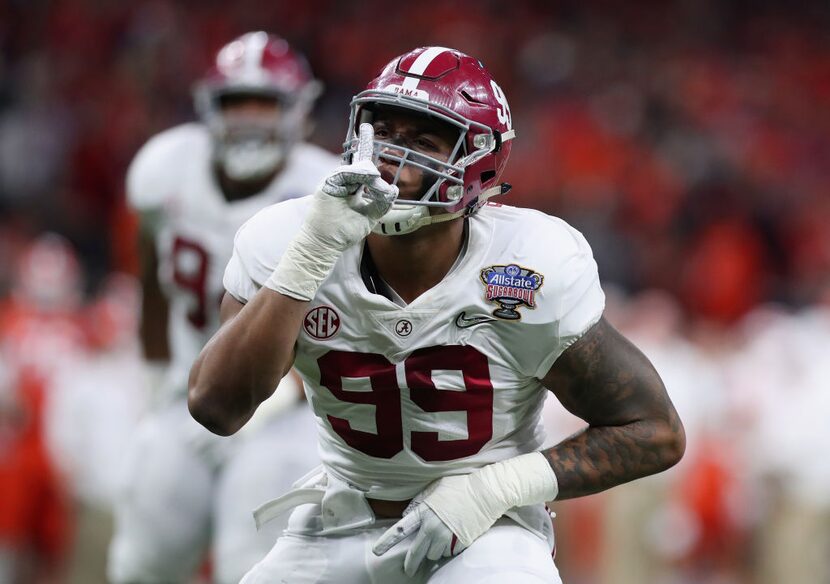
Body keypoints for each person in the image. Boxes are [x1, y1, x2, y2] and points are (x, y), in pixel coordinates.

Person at [188, 46, 686, 583]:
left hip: (484, 531)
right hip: (341, 519)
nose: (391, 161)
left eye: (423, 142)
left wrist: (493, 489)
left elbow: (653, 430)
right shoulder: (289, 237)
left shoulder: (528, 263)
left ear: (478, 163)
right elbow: (217, 407)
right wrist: (309, 256)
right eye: (384, 135)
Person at [107, 32, 338, 584]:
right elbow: (154, 280)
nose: (251, 119)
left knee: (254, 569)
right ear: (210, 107)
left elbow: (349, 321)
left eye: (267, 103)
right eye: (238, 103)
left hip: (291, 414)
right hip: (187, 398)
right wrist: (158, 376)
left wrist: (280, 396)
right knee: (141, 563)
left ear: (298, 111)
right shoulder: (165, 169)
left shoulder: (327, 190)